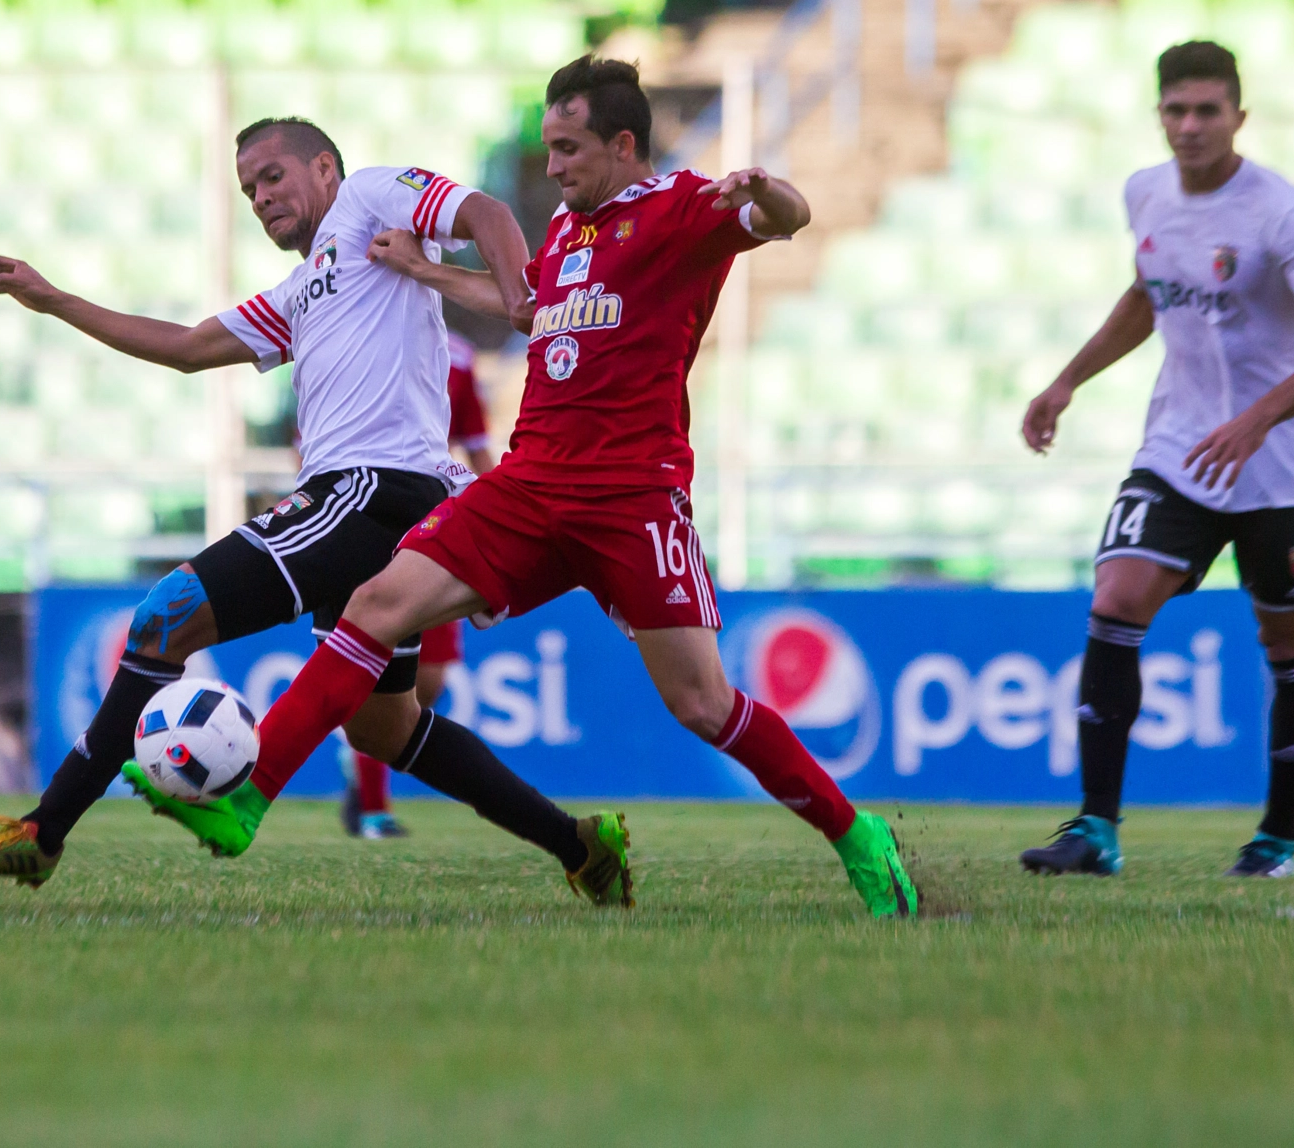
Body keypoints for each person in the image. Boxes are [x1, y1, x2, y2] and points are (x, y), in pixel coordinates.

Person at [150, 58, 918, 918]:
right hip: (528, 484)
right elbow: (530, 309)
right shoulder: (566, 229)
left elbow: (787, 217)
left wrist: (766, 191)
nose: (551, 167)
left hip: (632, 498)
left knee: (702, 704)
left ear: (623, 146)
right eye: (548, 149)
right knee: (372, 605)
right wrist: (426, 269)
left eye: (568, 148)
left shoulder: (679, 209)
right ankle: (248, 797)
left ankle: (858, 837)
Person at [0, 118, 633, 904]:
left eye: (272, 176)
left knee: (167, 615)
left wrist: (517, 292)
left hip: (373, 488)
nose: (261, 197)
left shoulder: (370, 201)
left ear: (325, 168)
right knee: (384, 729)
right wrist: (56, 300)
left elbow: (488, 216)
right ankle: (580, 846)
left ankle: (42, 832)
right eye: (248, 190)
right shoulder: (302, 292)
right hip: (374, 503)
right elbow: (189, 346)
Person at [1018, 41, 1294, 880]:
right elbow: (1148, 296)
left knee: (1289, 641)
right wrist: (1067, 380)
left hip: (1277, 465)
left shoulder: (1280, 214)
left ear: (1238, 118)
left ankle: (1275, 841)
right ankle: (1094, 830)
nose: (1189, 127)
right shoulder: (1145, 193)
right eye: (1175, 110)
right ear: (1159, 116)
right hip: (1178, 451)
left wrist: (1257, 420)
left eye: (1207, 110)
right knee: (1117, 597)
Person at [341, 330, 497, 839]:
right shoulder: (350, 336)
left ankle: (363, 757)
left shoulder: (459, 356)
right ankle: (373, 811)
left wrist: (500, 525)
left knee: (427, 682)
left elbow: (476, 447)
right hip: (365, 517)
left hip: (434, 524)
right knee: (374, 665)